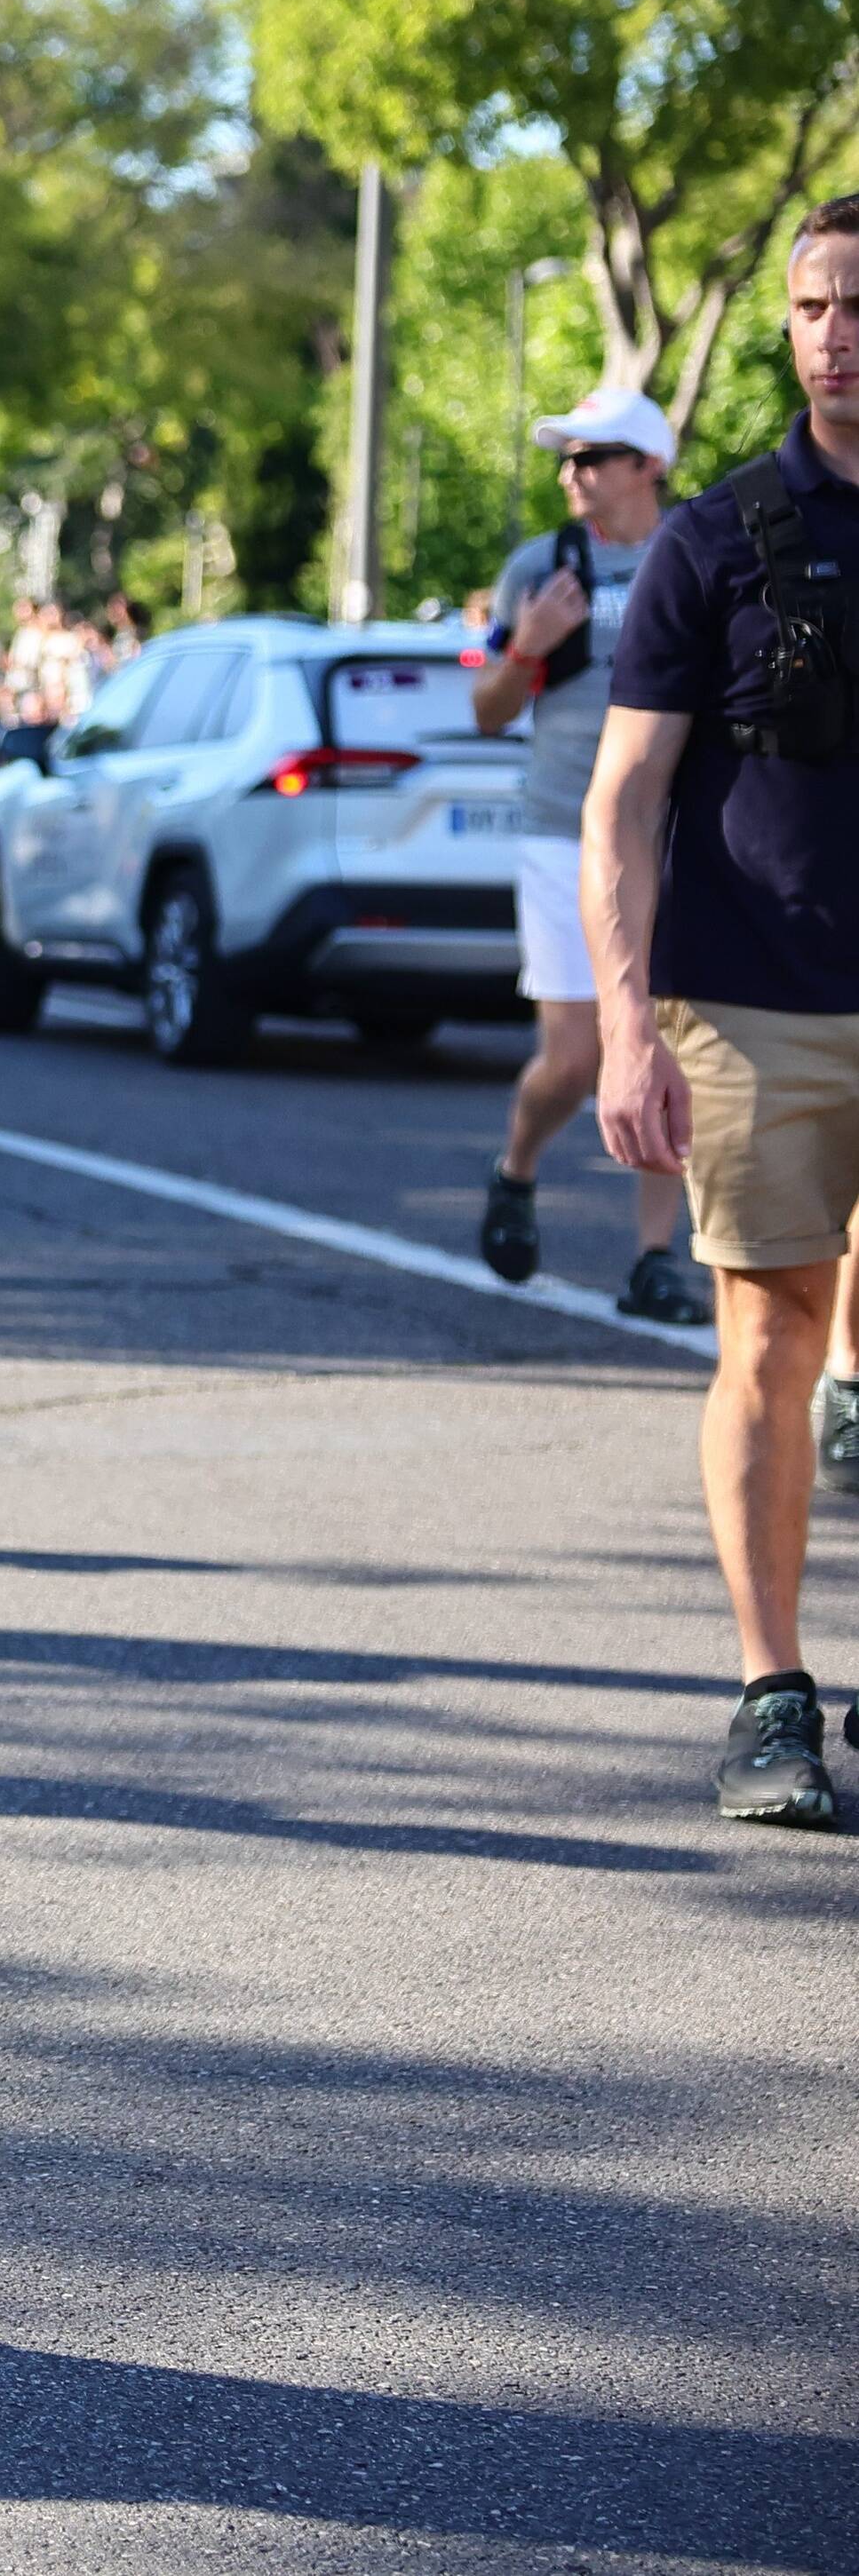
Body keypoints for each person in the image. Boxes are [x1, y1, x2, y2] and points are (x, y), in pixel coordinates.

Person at [591, 194, 859, 1831]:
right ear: (788, 326)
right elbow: (626, 795)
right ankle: (774, 1695)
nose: (842, 330)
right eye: (818, 303)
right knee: (771, 1337)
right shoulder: (716, 536)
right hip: (755, 1003)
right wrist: (626, 1022)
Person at [473, 387, 702, 1325]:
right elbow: (485, 710)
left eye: (592, 457)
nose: (573, 475)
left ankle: (653, 1257)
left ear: (647, 464)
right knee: (571, 1061)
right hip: (558, 832)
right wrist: (527, 648)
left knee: (663, 1048)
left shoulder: (696, 554)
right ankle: (514, 1168)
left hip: (674, 837)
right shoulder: (540, 565)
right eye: (565, 460)